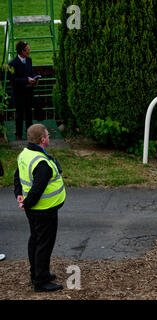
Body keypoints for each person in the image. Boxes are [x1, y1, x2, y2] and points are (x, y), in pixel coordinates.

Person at [14, 124, 65, 292]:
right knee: (44, 244)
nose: (50, 137)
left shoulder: (25, 154)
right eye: (48, 135)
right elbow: (37, 190)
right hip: (44, 210)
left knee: (35, 240)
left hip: (34, 209)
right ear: (43, 140)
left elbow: (17, 175)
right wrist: (25, 202)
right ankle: (41, 281)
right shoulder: (41, 163)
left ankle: (36, 273)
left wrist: (18, 194)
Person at [8, 41, 39, 141]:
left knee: (29, 113)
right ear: (22, 51)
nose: (29, 51)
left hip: (28, 92)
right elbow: (13, 80)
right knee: (19, 114)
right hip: (18, 93)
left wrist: (34, 79)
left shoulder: (29, 60)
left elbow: (31, 72)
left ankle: (30, 135)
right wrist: (26, 80)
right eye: (28, 50)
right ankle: (19, 135)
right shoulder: (12, 64)